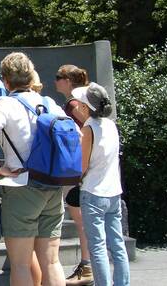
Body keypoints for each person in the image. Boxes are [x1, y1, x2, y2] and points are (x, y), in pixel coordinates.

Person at [0, 52, 68, 286]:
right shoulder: (49, 103)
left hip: (21, 187)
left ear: (6, 80)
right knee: (51, 262)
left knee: (20, 264)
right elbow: (75, 135)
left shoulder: (5, 104)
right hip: (52, 186)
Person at [72, 83, 130, 286]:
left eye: (80, 103)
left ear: (86, 107)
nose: (77, 105)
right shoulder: (111, 125)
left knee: (97, 246)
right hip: (113, 192)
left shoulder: (89, 128)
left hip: (93, 192)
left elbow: (83, 165)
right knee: (117, 244)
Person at [54, 64, 93, 286]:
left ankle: (87, 266)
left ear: (69, 81)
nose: (56, 80)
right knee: (82, 220)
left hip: (78, 171)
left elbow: (90, 127)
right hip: (80, 170)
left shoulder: (73, 103)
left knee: (81, 221)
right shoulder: (76, 102)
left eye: (59, 77)